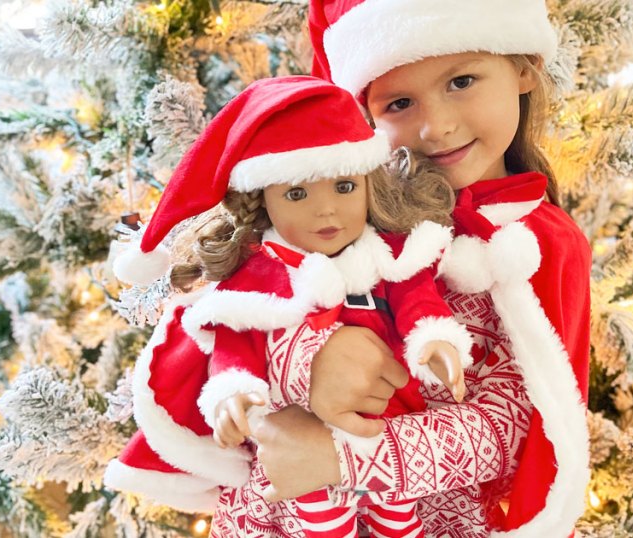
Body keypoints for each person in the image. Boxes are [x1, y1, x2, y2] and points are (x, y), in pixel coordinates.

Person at [241, 0, 593, 536]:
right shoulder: (338, 209)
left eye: (462, 82)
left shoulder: (539, 245)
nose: (436, 127)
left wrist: (344, 456)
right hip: (289, 508)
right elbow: (243, 318)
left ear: (524, 67)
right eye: (400, 102)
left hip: (432, 518)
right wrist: (312, 361)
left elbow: (516, 428)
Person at [103, 76, 473, 538]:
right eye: (297, 194)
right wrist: (232, 395)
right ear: (262, 203)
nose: (326, 212)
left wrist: (435, 339)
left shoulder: (387, 256)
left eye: (343, 186)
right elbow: (234, 350)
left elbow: (418, 300)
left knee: (399, 515)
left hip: (384, 424)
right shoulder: (256, 281)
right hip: (297, 436)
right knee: (317, 517)